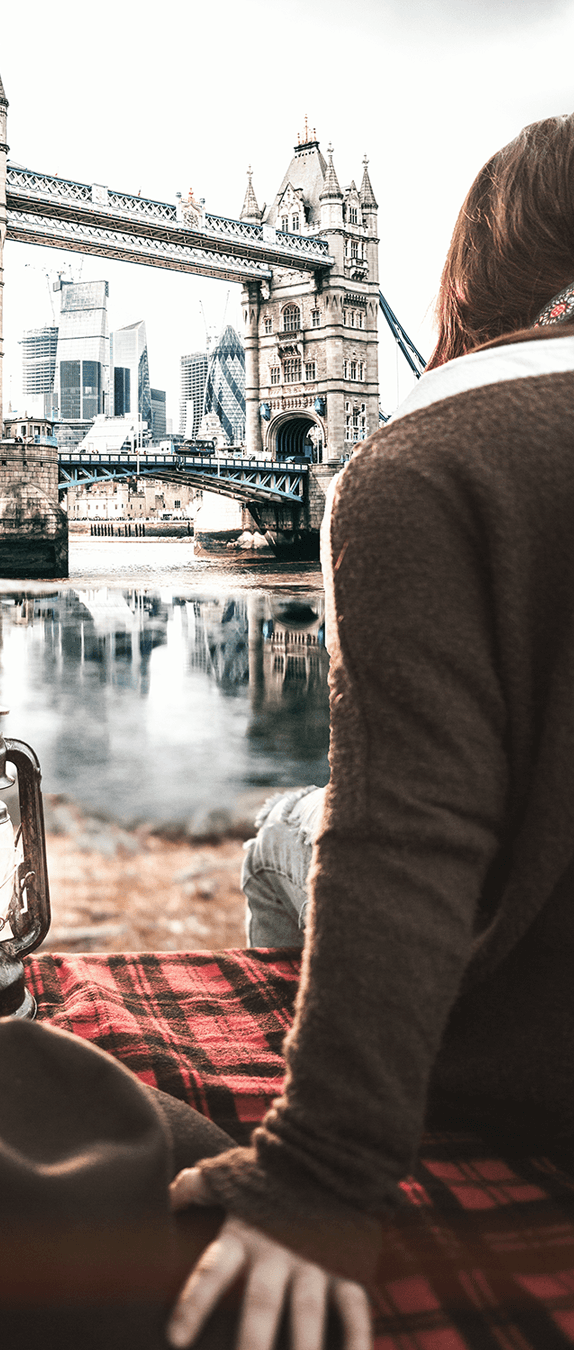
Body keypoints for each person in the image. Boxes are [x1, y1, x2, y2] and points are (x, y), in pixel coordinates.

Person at [167, 113, 574, 1350]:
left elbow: (411, 833)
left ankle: (293, 1064)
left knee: (294, 830)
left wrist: (322, 1176)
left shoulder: (419, 466)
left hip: (527, 1065)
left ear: (459, 281)